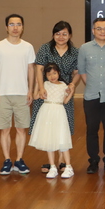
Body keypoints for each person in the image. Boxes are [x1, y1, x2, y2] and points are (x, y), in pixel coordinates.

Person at [0, 13, 36, 175]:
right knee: (5, 129)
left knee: (21, 129)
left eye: (18, 24)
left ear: (22, 27)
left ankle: (19, 160)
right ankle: (7, 160)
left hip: (22, 94)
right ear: (6, 27)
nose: (15, 28)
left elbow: (31, 70)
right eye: (11, 24)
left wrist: (30, 90)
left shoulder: (28, 47)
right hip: (2, 95)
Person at [32, 21, 79, 173]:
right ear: (53, 35)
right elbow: (39, 69)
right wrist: (40, 88)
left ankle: (61, 161)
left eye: (64, 34)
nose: (61, 37)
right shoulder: (45, 48)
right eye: (58, 33)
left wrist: (72, 85)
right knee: (48, 127)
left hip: (63, 91)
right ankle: (51, 162)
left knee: (63, 126)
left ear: (70, 35)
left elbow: (77, 72)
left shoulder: (75, 52)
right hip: (47, 91)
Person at [78, 17, 105, 174]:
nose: (102, 32)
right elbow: (82, 71)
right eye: (99, 28)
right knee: (92, 129)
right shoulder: (84, 48)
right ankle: (93, 161)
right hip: (91, 95)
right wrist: (93, 84)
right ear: (93, 30)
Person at [29, 63, 74, 179]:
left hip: (59, 112)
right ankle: (53, 167)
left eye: (54, 73)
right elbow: (36, 96)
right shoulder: (45, 84)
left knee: (62, 138)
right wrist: (37, 84)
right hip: (47, 112)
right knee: (49, 139)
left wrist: (71, 92)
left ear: (58, 73)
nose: (52, 76)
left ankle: (68, 167)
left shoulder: (63, 85)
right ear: (45, 76)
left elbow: (65, 101)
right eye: (49, 74)